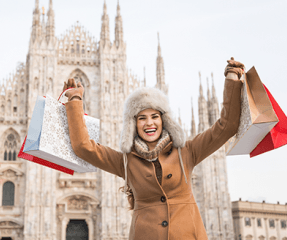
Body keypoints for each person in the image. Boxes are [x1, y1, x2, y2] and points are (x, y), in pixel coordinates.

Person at [63, 58, 245, 240]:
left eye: (154, 116)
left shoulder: (186, 152)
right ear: (133, 124)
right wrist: (75, 99)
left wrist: (232, 78)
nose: (149, 123)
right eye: (141, 118)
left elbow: (226, 127)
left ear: (163, 120)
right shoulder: (126, 162)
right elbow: (83, 147)